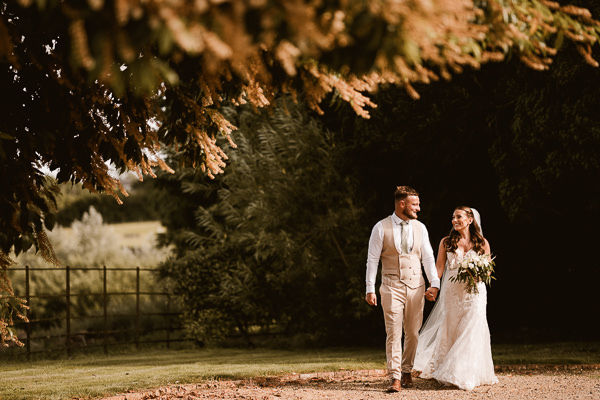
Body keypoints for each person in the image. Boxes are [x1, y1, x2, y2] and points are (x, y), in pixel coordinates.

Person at [413, 206, 499, 391]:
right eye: (453, 217)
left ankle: (463, 373)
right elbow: (439, 268)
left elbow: (489, 269)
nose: (454, 220)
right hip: (453, 292)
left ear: (470, 220)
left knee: (472, 328)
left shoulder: (483, 243)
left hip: (475, 293)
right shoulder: (446, 242)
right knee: (452, 327)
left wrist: (480, 274)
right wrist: (433, 287)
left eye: (459, 216)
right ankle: (447, 367)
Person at [365, 186, 440, 393]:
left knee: (413, 333)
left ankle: (407, 370)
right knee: (393, 332)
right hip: (391, 286)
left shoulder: (421, 228)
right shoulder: (380, 227)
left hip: (417, 286)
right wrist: (370, 288)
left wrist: (434, 283)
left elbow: (428, 257)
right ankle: (395, 377)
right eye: (415, 204)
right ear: (402, 204)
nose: (418, 208)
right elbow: (372, 260)